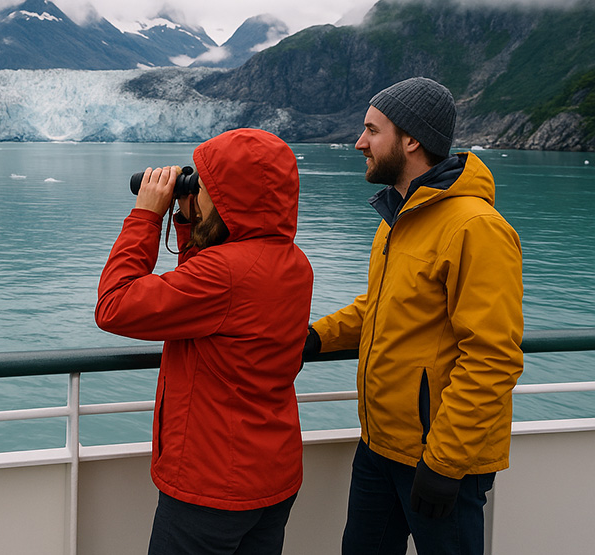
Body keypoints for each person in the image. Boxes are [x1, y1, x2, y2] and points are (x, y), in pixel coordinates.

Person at [303, 77, 524, 555]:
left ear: (411, 139)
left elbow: (492, 357)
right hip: (380, 447)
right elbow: (379, 308)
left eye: (371, 130)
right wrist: (313, 339)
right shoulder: (399, 218)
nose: (359, 142)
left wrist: (444, 464)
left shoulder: (475, 227)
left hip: (439, 458)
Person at [95, 128, 314, 555]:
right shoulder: (292, 261)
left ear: (231, 195)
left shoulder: (224, 275)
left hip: (212, 486)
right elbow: (209, 297)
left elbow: (114, 306)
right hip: (272, 475)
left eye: (207, 185)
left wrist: (146, 217)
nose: (200, 191)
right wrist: (189, 220)